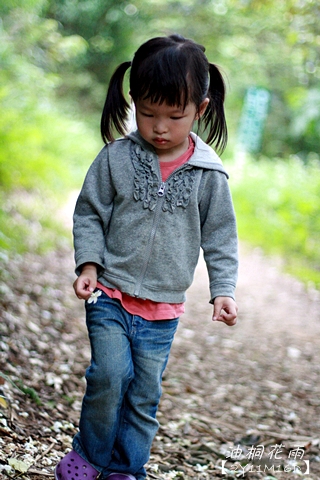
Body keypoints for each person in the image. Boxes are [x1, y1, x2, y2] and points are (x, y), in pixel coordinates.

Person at [54, 34, 238, 480]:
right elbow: (90, 213)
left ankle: (126, 467)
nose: (159, 127)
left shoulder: (208, 175)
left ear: (201, 109)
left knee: (143, 393)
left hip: (163, 308)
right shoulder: (116, 158)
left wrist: (223, 290)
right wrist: (89, 264)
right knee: (109, 376)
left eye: (174, 116)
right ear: (132, 100)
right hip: (109, 295)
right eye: (147, 113)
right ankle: (92, 456)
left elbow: (220, 237)